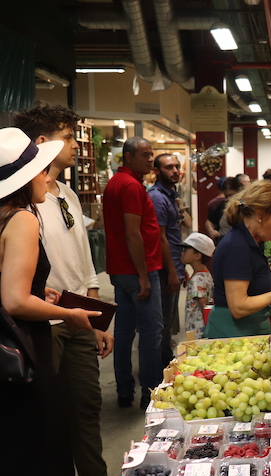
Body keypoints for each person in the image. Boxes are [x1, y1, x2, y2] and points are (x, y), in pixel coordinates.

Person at [14, 103, 114, 476]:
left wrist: (96, 317)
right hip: (42, 323)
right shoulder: (20, 203)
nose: (75, 145)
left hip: (77, 317)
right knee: (48, 416)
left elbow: (85, 261)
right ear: (42, 143)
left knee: (87, 407)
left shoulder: (67, 194)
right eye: (68, 136)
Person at [205, 181, 271, 337]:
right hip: (234, 336)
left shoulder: (252, 239)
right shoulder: (237, 247)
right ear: (260, 215)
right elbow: (238, 307)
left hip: (248, 331)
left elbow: (250, 281)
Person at [102, 136, 164, 410]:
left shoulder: (118, 183)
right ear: (128, 157)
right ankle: (150, 393)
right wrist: (142, 275)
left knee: (125, 331)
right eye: (145, 155)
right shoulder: (129, 185)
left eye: (152, 155)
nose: (151, 159)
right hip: (139, 270)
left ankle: (124, 391)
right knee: (151, 333)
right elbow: (132, 233)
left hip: (120, 271)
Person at [149, 153, 192, 366]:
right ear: (156, 171)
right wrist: (173, 271)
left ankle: (165, 362)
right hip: (165, 268)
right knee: (163, 322)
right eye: (169, 167)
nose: (175, 171)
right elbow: (160, 237)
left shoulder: (170, 195)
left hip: (174, 263)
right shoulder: (157, 197)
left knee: (168, 322)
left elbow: (180, 230)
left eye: (176, 167)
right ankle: (160, 368)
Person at [179, 232, 215, 339]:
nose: (182, 253)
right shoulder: (204, 274)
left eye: (185, 250)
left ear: (197, 255)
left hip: (197, 332)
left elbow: (203, 305)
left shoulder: (197, 280)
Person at [205, 175, 240, 243]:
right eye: (226, 196)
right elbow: (209, 221)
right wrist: (211, 231)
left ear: (239, 190)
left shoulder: (245, 205)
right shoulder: (224, 204)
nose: (229, 199)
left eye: (231, 195)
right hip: (223, 241)